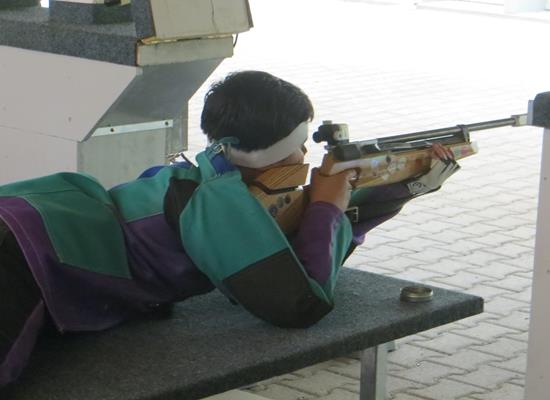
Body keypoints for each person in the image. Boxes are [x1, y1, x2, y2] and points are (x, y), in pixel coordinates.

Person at [0, 70, 458, 387]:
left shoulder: (214, 176)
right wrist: (326, 206)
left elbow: (299, 245)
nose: (305, 157)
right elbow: (299, 303)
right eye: (301, 145)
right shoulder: (219, 200)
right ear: (275, 152)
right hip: (24, 248)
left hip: (35, 223)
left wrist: (400, 186)